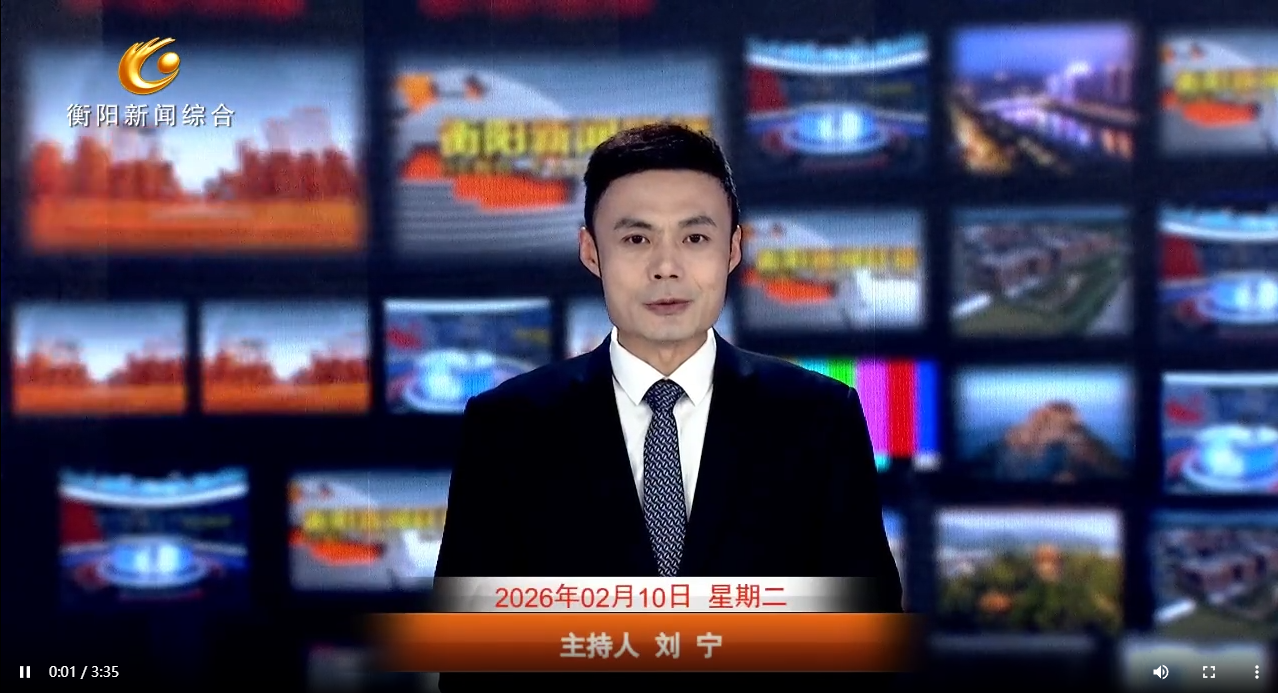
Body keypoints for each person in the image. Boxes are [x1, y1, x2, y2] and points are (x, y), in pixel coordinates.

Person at [436, 123, 902, 689]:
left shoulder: (819, 418)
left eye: (695, 238)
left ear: (733, 249)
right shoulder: (508, 427)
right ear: (591, 252)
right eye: (636, 240)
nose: (666, 267)